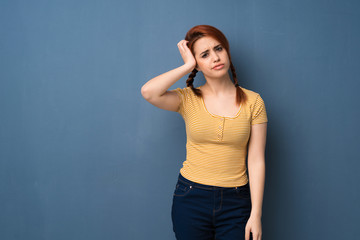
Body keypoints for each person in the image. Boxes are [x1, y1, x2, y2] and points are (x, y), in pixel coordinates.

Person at [141, 25, 268, 240]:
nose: (215, 58)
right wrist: (188, 65)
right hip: (191, 197)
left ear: (227, 51)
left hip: (236, 201)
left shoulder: (254, 101)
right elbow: (148, 92)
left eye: (219, 49)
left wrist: (256, 214)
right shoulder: (188, 99)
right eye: (205, 55)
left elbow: (256, 160)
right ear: (197, 64)